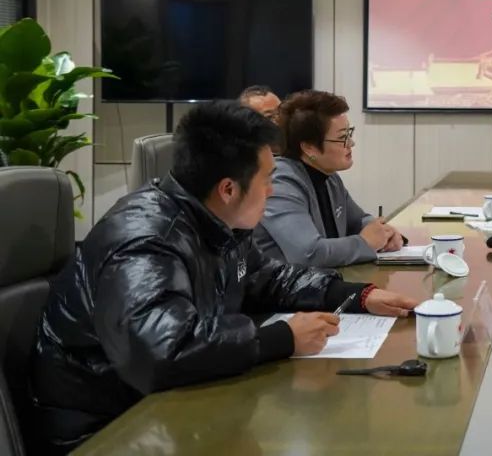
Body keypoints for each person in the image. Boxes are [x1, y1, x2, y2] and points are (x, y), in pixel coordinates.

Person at [30, 101, 419, 451]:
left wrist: (357, 295)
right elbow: (163, 352)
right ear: (229, 189)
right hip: (109, 430)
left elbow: (267, 278)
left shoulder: (218, 220)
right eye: (267, 180)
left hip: (166, 407)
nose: (273, 191)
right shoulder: (146, 241)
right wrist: (281, 338)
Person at [255, 90, 404, 268]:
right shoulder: (280, 183)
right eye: (342, 138)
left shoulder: (329, 176)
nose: (351, 143)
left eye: (349, 133)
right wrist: (366, 242)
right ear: (309, 147)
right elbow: (309, 254)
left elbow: (358, 221)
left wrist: (384, 232)